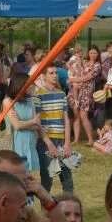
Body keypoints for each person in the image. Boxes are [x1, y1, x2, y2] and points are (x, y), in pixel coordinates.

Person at [33, 65, 73, 194]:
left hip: (61, 141)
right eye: (51, 73)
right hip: (45, 142)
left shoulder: (61, 94)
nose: (55, 75)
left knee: (67, 181)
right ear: (44, 76)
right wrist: (49, 144)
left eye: (56, 73)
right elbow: (37, 122)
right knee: (46, 182)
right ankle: (45, 213)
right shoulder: (37, 96)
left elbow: (66, 120)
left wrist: (67, 143)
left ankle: (69, 211)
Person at [2, 73, 41, 173]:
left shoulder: (30, 101)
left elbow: (37, 126)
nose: (32, 85)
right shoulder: (8, 101)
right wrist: (31, 121)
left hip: (29, 144)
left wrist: (24, 123)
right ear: (21, 85)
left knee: (26, 178)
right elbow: (17, 126)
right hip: (15, 146)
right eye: (29, 83)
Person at [67, 45, 101, 147]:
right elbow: (78, 72)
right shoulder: (85, 62)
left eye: (94, 53)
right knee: (76, 115)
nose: (92, 55)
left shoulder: (97, 66)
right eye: (91, 53)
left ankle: (90, 139)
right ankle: (76, 139)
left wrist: (73, 80)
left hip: (87, 90)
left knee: (83, 116)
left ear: (98, 54)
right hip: (77, 89)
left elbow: (86, 78)